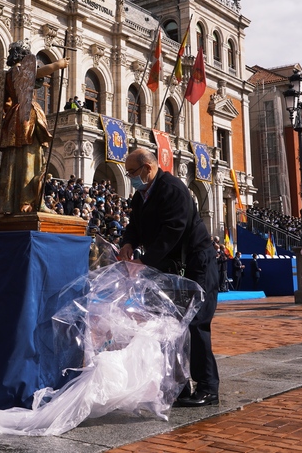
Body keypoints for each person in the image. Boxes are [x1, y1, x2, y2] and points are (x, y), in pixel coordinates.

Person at [117, 148, 219, 408]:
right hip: (171, 267)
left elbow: (174, 229)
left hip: (196, 263)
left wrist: (145, 260)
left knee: (196, 324)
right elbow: (134, 226)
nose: (130, 177)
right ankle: (180, 385)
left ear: (148, 168)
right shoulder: (141, 196)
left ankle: (208, 387)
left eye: (132, 172)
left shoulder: (172, 188)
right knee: (170, 326)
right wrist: (128, 243)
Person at [0, 42, 68, 214]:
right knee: (33, 159)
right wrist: (59, 64)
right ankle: (29, 201)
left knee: (13, 161)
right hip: (27, 117)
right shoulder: (21, 71)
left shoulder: (5, 75)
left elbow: (4, 103)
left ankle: (8, 202)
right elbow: (39, 72)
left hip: (13, 119)